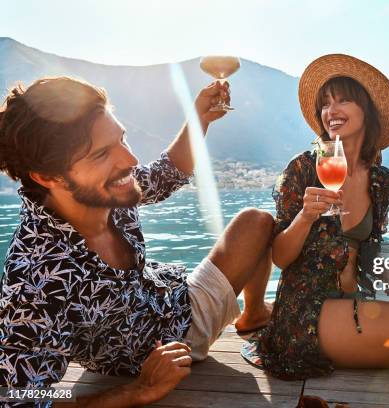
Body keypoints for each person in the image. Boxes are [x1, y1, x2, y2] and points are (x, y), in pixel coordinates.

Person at [0, 76, 273, 407]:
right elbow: (17, 397)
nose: (129, 160)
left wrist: (199, 114)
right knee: (255, 224)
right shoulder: (35, 278)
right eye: (102, 154)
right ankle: (254, 316)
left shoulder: (109, 189)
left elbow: (165, 173)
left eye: (122, 139)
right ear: (47, 177)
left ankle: (253, 314)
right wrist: (137, 390)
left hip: (171, 297)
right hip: (177, 338)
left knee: (257, 221)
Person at [244, 54, 389, 407]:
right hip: (307, 314)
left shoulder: (382, 182)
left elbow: (368, 255)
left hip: (356, 304)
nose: (331, 110)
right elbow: (281, 258)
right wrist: (306, 218)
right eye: (325, 103)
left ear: (366, 110)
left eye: (342, 99)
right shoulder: (301, 170)